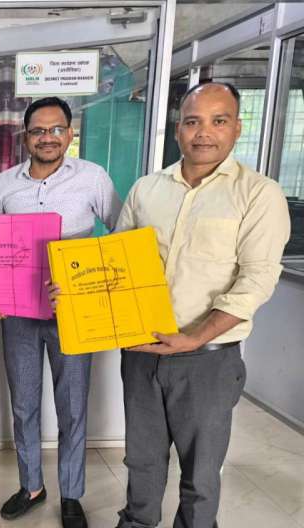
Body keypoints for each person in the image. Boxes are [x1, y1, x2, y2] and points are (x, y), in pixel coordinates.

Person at [112, 82, 290, 528]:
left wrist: (195, 336)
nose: (204, 132)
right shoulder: (147, 189)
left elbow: (256, 279)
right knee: (141, 460)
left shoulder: (258, 194)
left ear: (237, 128)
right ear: (178, 129)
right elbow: (116, 263)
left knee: (201, 473)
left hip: (207, 360)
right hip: (142, 352)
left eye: (218, 120)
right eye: (193, 121)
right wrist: (76, 293)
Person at [0, 97, 121, 528]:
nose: (48, 137)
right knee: (24, 405)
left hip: (75, 313)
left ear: (70, 133)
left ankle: (71, 495)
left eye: (57, 129)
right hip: (19, 314)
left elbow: (121, 237)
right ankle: (31, 486)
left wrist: (94, 283)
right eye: (39, 130)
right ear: (25, 137)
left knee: (73, 407)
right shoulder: (4, 184)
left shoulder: (93, 178)